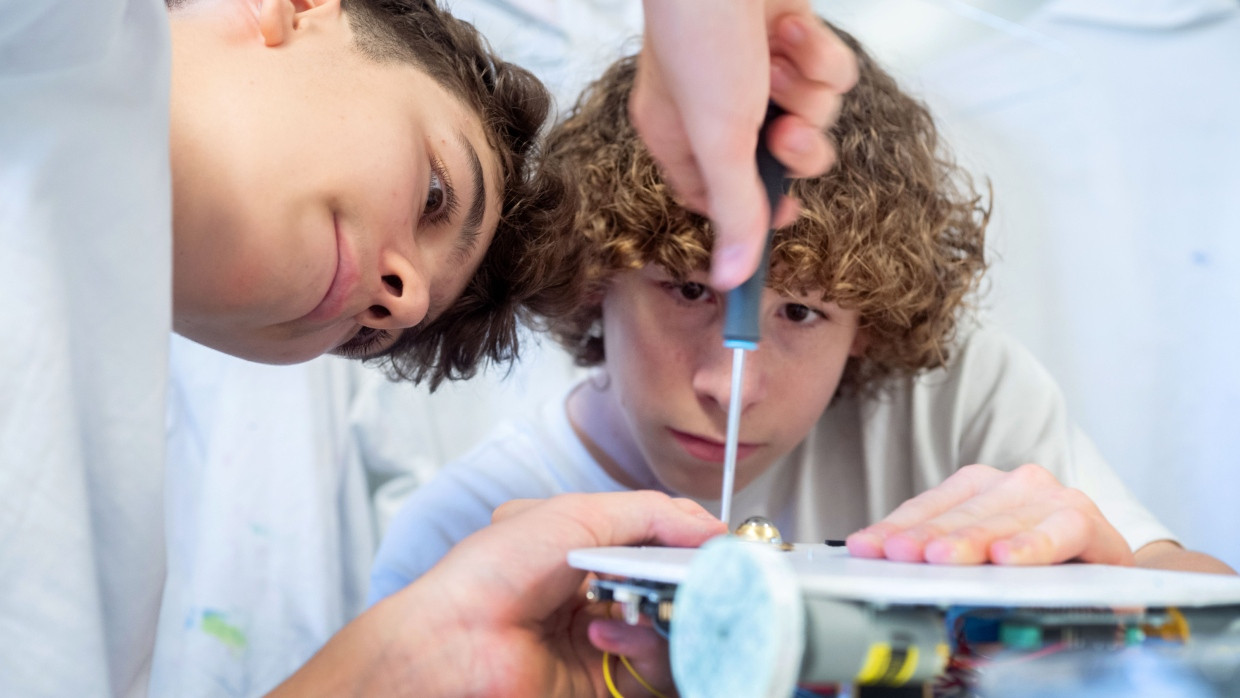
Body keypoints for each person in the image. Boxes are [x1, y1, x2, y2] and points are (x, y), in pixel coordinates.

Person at [5, 0, 868, 693]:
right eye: (432, 194)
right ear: (294, 11)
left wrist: (409, 664)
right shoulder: (57, 44)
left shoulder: (103, 532)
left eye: (373, 332)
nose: (404, 296)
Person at [370, 27, 1234, 689]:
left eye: (803, 310)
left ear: (873, 326)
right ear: (594, 280)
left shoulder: (967, 403)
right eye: (686, 290)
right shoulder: (462, 546)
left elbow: (1208, 612)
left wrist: (1124, 594)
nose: (728, 385)